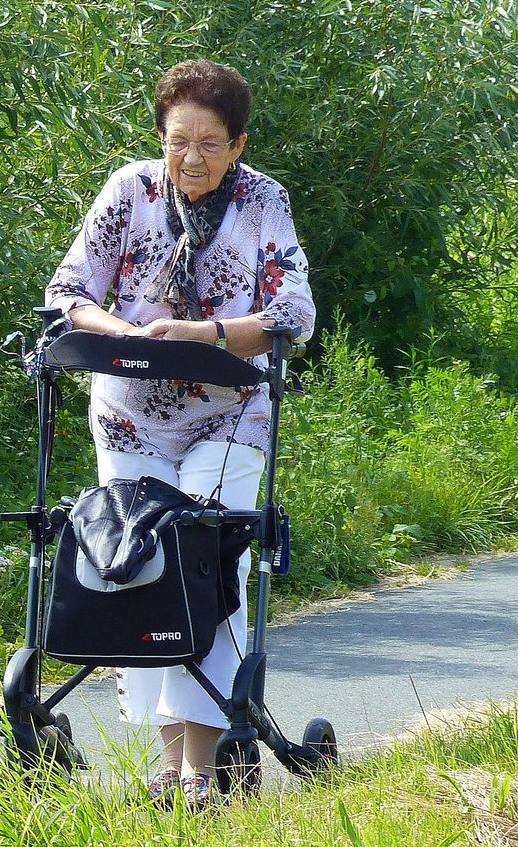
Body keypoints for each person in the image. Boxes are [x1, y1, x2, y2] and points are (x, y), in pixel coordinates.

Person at [43, 59, 315, 809]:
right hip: (128, 414)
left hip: (229, 416)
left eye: (209, 143)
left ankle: (204, 768)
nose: (190, 158)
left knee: (204, 569)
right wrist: (125, 331)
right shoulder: (127, 190)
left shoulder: (264, 202)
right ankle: (173, 767)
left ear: (238, 144)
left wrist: (202, 333)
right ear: (159, 137)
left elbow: (294, 314)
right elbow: (67, 292)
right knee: (142, 571)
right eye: (176, 141)